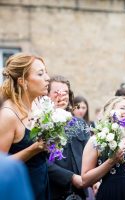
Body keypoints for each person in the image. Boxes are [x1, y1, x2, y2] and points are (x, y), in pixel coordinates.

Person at [0, 53, 50, 200]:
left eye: (46, 72)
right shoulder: (8, 115)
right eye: (40, 74)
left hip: (41, 185)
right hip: (19, 190)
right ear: (22, 81)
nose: (47, 78)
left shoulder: (38, 106)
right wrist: (32, 149)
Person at [81, 96, 125, 200]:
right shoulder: (97, 140)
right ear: (110, 111)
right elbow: (85, 180)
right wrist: (111, 161)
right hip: (113, 193)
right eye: (122, 108)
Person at [47, 75, 90, 200]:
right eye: (56, 92)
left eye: (65, 92)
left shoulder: (80, 123)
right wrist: (70, 177)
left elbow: (90, 154)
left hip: (80, 193)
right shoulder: (41, 124)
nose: (62, 96)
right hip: (53, 192)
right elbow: (40, 161)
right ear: (47, 95)